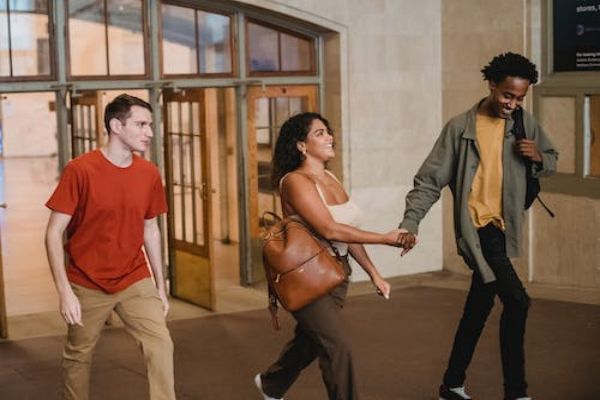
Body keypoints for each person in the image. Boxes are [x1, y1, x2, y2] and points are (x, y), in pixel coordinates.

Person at [396, 53, 557, 400]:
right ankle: (516, 392)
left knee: (478, 308)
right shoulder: (460, 128)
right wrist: (410, 223)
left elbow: (551, 160)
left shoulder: (524, 123)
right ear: (492, 85)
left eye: (519, 98)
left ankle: (451, 385)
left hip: (503, 226)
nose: (512, 104)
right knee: (517, 302)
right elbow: (429, 180)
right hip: (478, 229)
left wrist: (538, 157)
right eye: (507, 95)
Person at [254, 112, 402, 400]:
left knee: (311, 341)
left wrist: (374, 273)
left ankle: (271, 384)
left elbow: (348, 233)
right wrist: (385, 238)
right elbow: (329, 229)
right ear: (301, 145)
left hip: (337, 273)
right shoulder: (295, 181)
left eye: (328, 131)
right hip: (307, 275)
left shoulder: (330, 177)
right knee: (338, 348)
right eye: (319, 133)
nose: (329, 137)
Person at [45, 94, 175, 400]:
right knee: (78, 356)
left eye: (150, 125)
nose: (150, 132)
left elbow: (151, 230)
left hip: (134, 277)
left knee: (161, 344)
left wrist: (160, 285)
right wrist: (64, 292)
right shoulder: (80, 170)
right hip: (86, 281)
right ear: (116, 126)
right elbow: (53, 233)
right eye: (141, 125)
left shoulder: (149, 173)